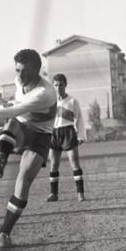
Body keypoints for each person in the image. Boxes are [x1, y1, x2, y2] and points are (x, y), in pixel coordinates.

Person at [0, 49, 56, 247]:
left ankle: (4, 233)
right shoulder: (19, 82)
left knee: (24, 179)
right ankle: (1, 156)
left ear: (37, 70)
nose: (19, 76)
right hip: (21, 127)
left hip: (41, 135)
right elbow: (15, 112)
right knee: (13, 122)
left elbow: (13, 110)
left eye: (24, 71)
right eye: (17, 70)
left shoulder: (44, 93)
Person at [46, 74, 86, 202]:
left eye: (61, 85)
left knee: (74, 163)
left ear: (65, 85)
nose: (58, 88)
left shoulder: (72, 101)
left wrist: (81, 136)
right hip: (54, 133)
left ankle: (80, 193)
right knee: (53, 164)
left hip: (68, 132)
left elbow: (80, 119)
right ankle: (54, 194)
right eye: (56, 85)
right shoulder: (50, 102)